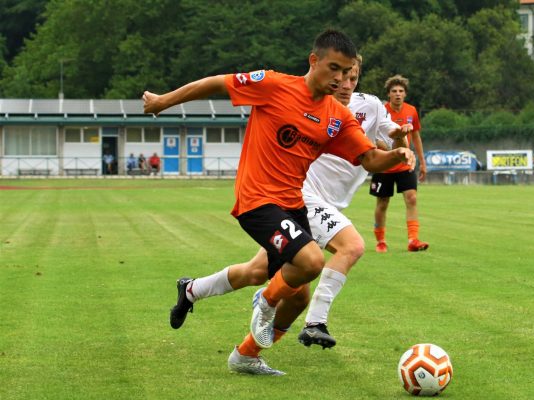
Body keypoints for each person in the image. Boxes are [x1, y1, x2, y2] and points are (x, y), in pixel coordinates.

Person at [143, 30, 415, 376]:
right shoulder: (273, 85)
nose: (340, 79)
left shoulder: (337, 117)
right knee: (311, 261)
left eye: (347, 73)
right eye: (333, 68)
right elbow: (216, 83)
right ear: (313, 60)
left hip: (292, 207)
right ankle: (266, 302)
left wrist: (396, 156)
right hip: (257, 201)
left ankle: (242, 352)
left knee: (296, 294)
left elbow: (369, 158)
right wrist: (162, 102)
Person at [369, 75, 428, 253]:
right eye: (394, 91)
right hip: (384, 163)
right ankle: (380, 241)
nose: (397, 94)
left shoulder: (411, 111)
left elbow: (416, 136)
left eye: (401, 91)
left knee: (412, 198)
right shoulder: (381, 110)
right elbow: (373, 136)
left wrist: (422, 162)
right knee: (383, 202)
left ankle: (413, 240)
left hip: (405, 163)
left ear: (405, 94)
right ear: (388, 94)